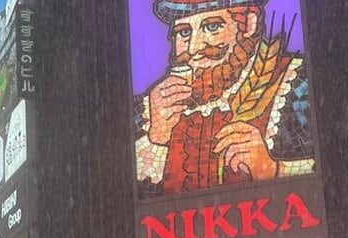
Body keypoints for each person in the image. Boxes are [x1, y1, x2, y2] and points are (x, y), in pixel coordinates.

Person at [134, 0, 314, 196]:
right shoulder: (150, 108)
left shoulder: (298, 84)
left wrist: (274, 169)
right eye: (184, 32)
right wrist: (156, 139)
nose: (193, 48)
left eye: (212, 27)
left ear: (249, 24)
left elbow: (331, 170)